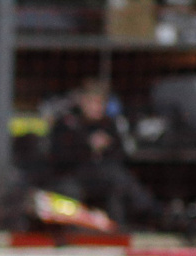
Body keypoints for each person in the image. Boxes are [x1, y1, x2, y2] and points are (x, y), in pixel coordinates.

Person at [47, 78, 158, 228]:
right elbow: (59, 157)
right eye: (92, 102)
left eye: (100, 103)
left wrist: (106, 147)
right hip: (73, 174)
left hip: (101, 175)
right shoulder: (67, 123)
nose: (96, 108)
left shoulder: (108, 124)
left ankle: (118, 228)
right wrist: (87, 146)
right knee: (71, 190)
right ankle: (151, 209)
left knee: (117, 180)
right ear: (82, 101)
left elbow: (121, 155)